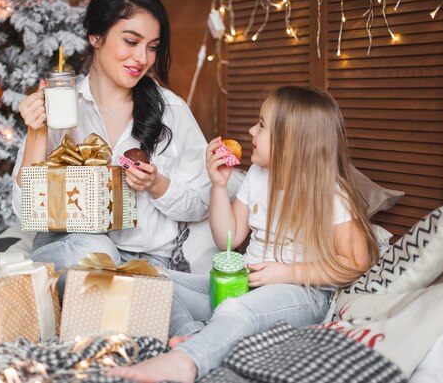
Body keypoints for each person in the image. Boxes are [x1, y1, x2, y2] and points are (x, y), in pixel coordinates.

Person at [111, 86, 380, 383]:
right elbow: (228, 238)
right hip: (245, 285)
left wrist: (286, 273)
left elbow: (357, 262)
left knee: (235, 308)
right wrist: (219, 186)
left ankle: (186, 363)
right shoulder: (257, 175)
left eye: (262, 125)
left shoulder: (330, 193)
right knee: (159, 281)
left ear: (292, 140)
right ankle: (195, 339)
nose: (251, 130)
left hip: (302, 292)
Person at [11, 0, 210, 273]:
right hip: (71, 251)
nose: (143, 59)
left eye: (152, 47)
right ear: (96, 36)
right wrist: (37, 133)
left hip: (148, 261)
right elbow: (24, 209)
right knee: (98, 251)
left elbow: (202, 204)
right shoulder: (61, 106)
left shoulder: (171, 111)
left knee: (147, 291)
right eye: (131, 41)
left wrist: (156, 185)